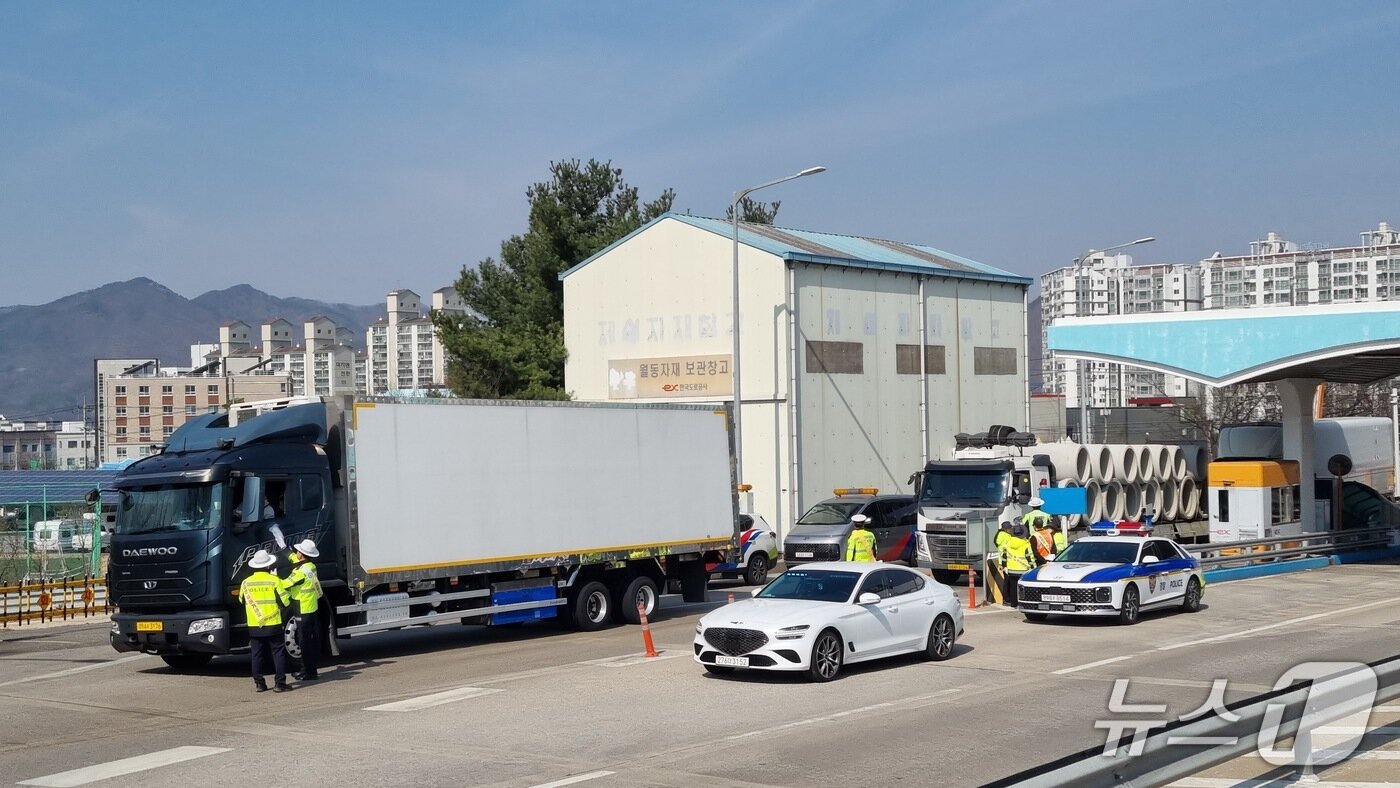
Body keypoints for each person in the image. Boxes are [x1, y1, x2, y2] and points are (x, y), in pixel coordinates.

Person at [240, 549, 292, 693]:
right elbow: (285, 602)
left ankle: (259, 683)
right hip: (273, 623)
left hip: (254, 624)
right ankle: (280, 684)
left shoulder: (245, 583)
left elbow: (241, 600)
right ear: (268, 565)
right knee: (278, 652)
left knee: (256, 654)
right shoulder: (274, 580)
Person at [284, 539, 324, 682]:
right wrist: (284, 548)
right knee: (309, 640)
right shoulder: (310, 566)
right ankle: (309, 669)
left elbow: (285, 584)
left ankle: (308, 672)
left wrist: (273, 578)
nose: (296, 552)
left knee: (304, 642)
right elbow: (293, 558)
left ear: (301, 554)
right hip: (311, 607)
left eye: (298, 551)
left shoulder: (301, 572)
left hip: (303, 608)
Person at [999, 523, 1035, 606]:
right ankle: (1023, 603)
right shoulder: (1026, 544)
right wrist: (1033, 567)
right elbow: (1030, 558)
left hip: (1011, 570)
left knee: (1013, 587)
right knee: (1023, 587)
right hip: (1023, 570)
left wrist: (1004, 566)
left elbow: (1004, 556)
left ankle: (1014, 603)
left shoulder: (1008, 543)